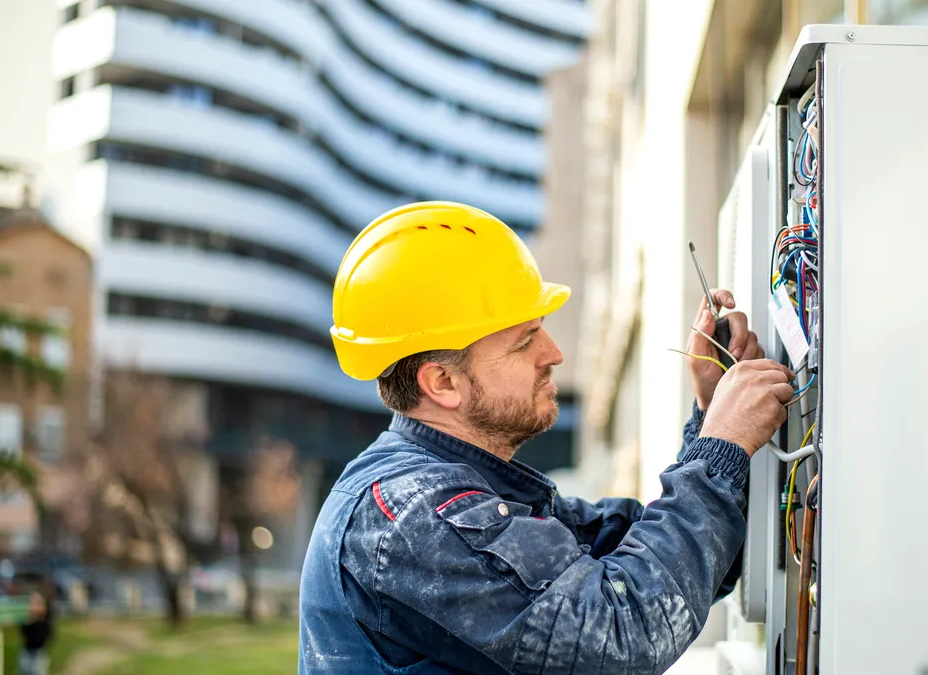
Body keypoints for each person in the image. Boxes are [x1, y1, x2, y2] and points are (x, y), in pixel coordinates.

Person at [299, 202, 794, 674]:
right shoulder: (412, 515)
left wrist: (711, 413)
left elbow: (689, 570)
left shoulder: (471, 491)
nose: (554, 352)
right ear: (442, 383)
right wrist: (720, 448)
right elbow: (627, 636)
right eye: (524, 341)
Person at [18, 589, 53, 675]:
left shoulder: (45, 622)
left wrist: (38, 619)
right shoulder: (26, 621)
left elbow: (45, 636)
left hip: (39, 653)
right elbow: (23, 633)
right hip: (27, 651)